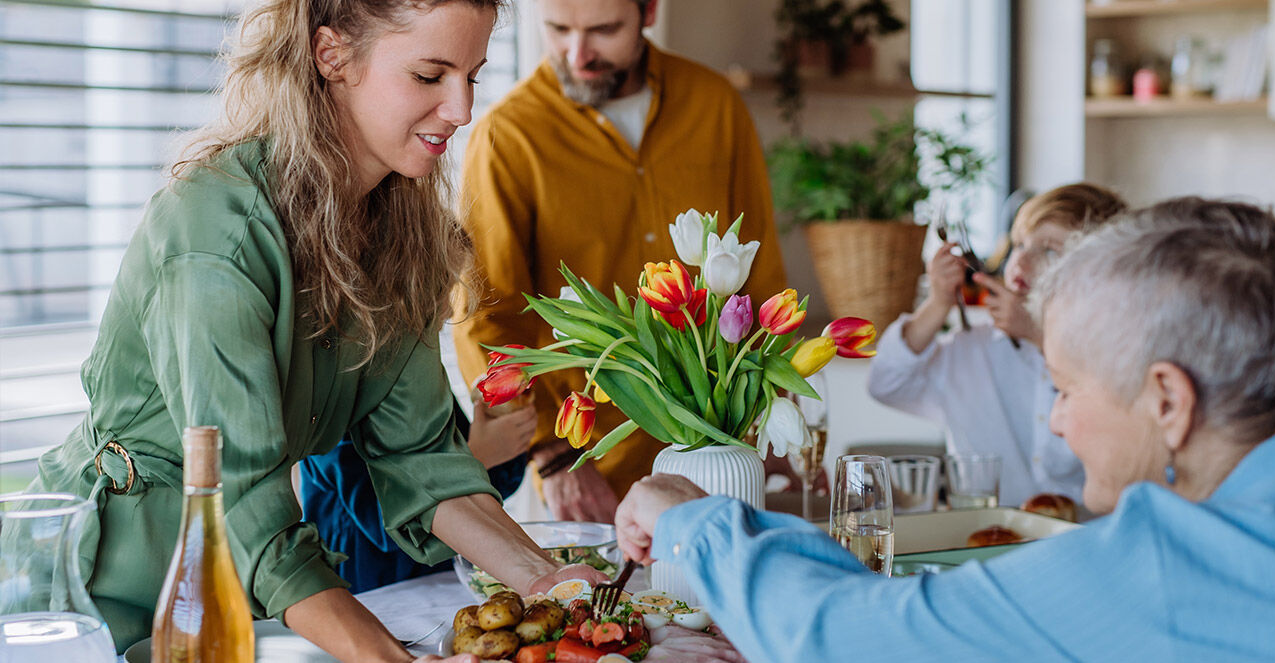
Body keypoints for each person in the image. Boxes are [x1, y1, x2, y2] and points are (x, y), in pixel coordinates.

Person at [17, 1, 602, 659]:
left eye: (473, 75)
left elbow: (422, 460)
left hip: (229, 595)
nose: (462, 108)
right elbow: (241, 500)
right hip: (96, 598)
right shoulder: (215, 231)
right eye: (430, 76)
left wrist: (551, 580)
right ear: (334, 57)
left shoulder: (394, 233)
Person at [613, 197, 1275, 662]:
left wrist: (695, 522)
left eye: (1065, 387)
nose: (1059, 417)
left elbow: (848, 639)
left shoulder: (1167, 562)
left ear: (1167, 399)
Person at [453, 0, 787, 523]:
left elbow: (760, 275)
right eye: (558, 29)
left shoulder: (715, 105)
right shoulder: (506, 134)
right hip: (586, 465)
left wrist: (781, 417)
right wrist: (550, 453)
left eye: (604, 30)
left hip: (722, 451)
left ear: (648, 12)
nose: (577, 53)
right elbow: (486, 314)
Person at [867, 183, 1127, 506]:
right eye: (1019, 244)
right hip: (985, 538)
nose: (1022, 260)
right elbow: (885, 383)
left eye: (1048, 250)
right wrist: (937, 304)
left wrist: (1041, 337)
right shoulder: (971, 349)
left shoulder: (1117, 361)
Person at [300, 396, 534, 593]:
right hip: (372, 588)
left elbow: (491, 488)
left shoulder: (423, 389)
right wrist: (480, 454)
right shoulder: (331, 407)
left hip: (444, 573)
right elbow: (383, 520)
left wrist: (501, 430)